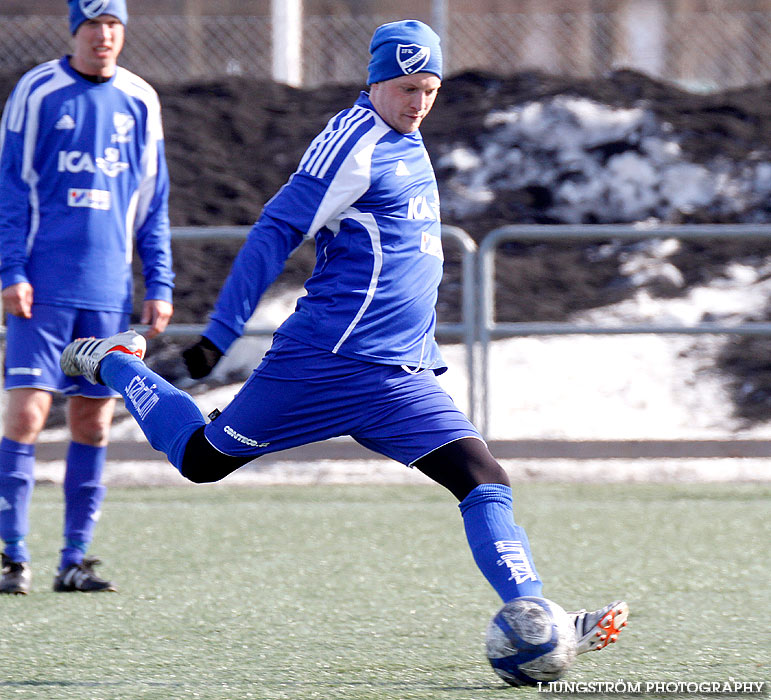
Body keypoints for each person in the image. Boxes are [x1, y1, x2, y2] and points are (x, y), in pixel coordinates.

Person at [60, 18, 627, 653]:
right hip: (324, 362)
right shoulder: (351, 143)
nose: (418, 103)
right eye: (407, 88)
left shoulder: (408, 143)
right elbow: (274, 232)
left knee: (484, 478)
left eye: (429, 89)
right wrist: (220, 334)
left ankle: (538, 620)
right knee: (201, 460)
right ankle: (117, 364)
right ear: (378, 81)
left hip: (398, 377)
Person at [0, 0, 174, 594]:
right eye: (93, 25)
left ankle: (73, 560)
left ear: (123, 32)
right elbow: (11, 186)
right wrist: (10, 270)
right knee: (25, 415)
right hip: (41, 288)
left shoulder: (141, 100)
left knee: (92, 422)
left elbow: (153, 201)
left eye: (113, 25)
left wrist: (160, 281)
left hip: (107, 293)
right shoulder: (38, 90)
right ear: (74, 30)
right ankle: (11, 556)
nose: (104, 36)